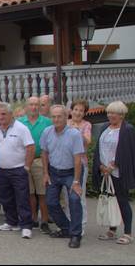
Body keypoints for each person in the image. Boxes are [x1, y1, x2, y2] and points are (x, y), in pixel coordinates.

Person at [41, 105, 85, 248]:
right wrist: (46, 173)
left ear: (66, 117)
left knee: (74, 200)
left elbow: (78, 158)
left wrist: (77, 181)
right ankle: (66, 229)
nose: (56, 119)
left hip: (72, 172)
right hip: (54, 171)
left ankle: (76, 235)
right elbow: (44, 153)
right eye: (53, 116)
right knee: (51, 202)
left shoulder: (74, 134)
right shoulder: (47, 132)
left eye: (59, 116)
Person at [0, 102, 35, 239]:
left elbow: (30, 147)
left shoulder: (21, 128)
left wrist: (26, 166)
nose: (1, 117)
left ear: (11, 114)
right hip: (0, 170)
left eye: (3, 114)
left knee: (22, 199)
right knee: (5, 198)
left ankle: (26, 226)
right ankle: (11, 222)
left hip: (18, 170)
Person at [93, 101, 135, 245]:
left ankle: (128, 233)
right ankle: (112, 230)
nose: (110, 115)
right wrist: (101, 166)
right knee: (110, 200)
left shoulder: (127, 129)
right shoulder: (105, 127)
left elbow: (128, 151)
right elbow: (99, 148)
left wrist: (114, 165)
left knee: (122, 201)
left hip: (118, 172)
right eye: (109, 112)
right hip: (105, 172)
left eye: (114, 113)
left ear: (122, 115)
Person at [19, 96, 53, 234]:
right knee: (30, 193)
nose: (33, 107)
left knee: (42, 193)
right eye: (31, 104)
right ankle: (33, 218)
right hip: (25, 160)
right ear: (26, 107)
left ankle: (44, 220)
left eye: (36, 105)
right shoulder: (20, 122)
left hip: (40, 159)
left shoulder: (47, 122)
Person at [68, 99, 92, 231]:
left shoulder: (86, 125)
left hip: (81, 164)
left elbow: (87, 142)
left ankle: (81, 226)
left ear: (84, 113)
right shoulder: (66, 123)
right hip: (66, 164)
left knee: (79, 195)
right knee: (67, 195)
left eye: (81, 111)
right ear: (71, 110)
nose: (77, 113)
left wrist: (78, 132)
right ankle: (69, 223)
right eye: (75, 109)